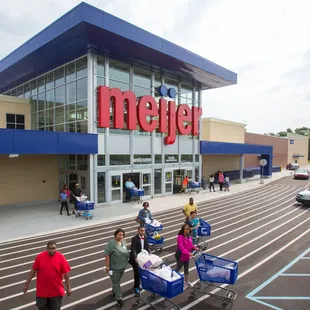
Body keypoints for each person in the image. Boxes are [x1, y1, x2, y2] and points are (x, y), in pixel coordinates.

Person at [23, 241, 72, 310]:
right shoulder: (40, 257)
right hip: (42, 292)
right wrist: (26, 284)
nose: (52, 250)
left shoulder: (61, 258)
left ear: (56, 248)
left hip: (56, 292)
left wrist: (68, 288)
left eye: (53, 248)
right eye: (50, 248)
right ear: (47, 248)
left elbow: (66, 275)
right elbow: (32, 271)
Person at [104, 229, 129, 308]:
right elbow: (107, 255)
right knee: (116, 283)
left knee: (116, 281)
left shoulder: (123, 241)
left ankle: (114, 290)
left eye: (122, 235)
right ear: (115, 235)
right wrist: (107, 266)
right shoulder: (111, 243)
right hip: (114, 268)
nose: (121, 236)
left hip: (122, 267)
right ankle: (119, 298)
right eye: (119, 234)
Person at [175, 224, 199, 288]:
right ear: (183, 230)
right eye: (186, 229)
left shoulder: (189, 236)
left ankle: (186, 282)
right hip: (181, 255)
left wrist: (195, 248)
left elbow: (191, 244)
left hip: (187, 256)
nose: (187, 230)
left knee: (186, 269)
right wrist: (189, 253)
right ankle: (171, 277)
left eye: (188, 229)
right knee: (178, 268)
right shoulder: (180, 237)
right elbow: (181, 248)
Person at [129, 226, 150, 297]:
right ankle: (136, 287)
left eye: (143, 231)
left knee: (143, 272)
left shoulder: (146, 238)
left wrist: (149, 254)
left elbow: (147, 248)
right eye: (141, 231)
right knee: (137, 273)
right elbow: (133, 249)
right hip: (136, 260)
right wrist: (136, 258)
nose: (142, 232)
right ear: (138, 231)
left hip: (143, 259)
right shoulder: (134, 239)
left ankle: (140, 284)